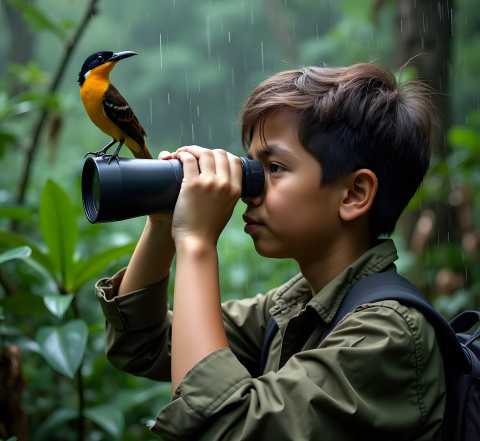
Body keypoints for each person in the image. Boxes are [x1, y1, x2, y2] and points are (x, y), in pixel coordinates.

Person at [95, 63, 446, 440]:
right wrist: (164, 224)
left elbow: (222, 427)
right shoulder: (292, 308)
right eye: (252, 166)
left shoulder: (386, 336)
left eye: (274, 167)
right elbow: (142, 344)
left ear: (354, 194)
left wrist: (196, 243)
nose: (250, 188)